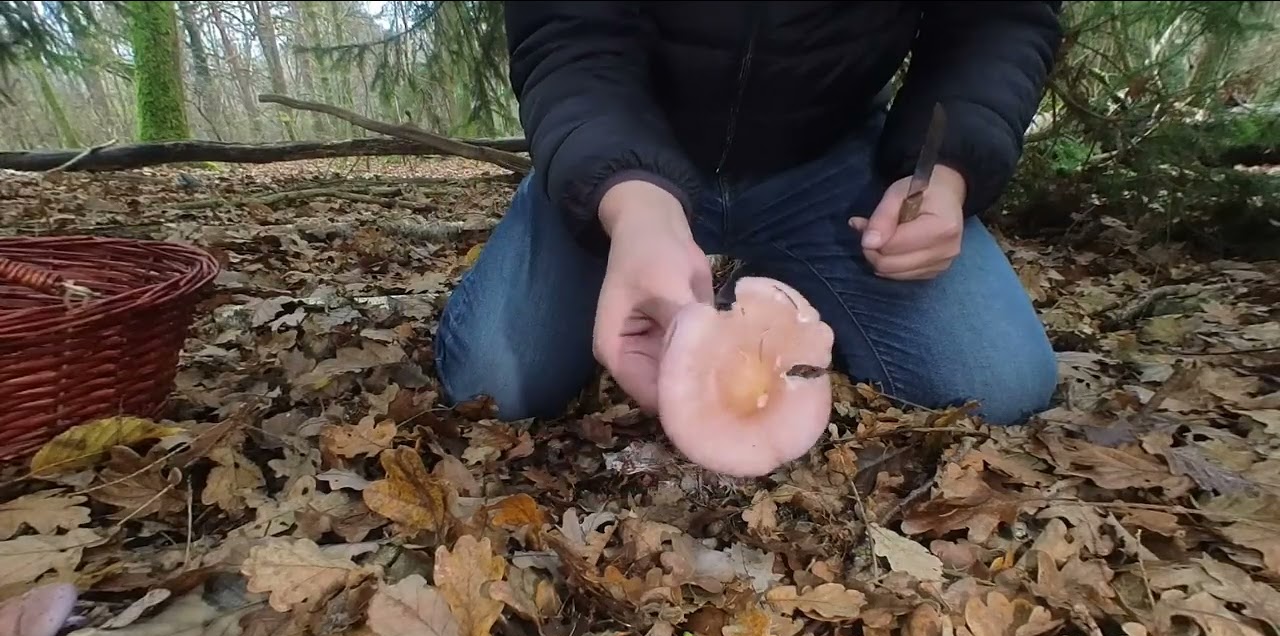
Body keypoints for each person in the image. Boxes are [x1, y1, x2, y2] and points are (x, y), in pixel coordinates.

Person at [434, 2, 1065, 429]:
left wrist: (944, 171)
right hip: (629, 150)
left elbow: (997, 20)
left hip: (831, 157)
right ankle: (579, 204)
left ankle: (769, 296)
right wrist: (629, 203)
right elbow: (569, 35)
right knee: (493, 388)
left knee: (998, 383)